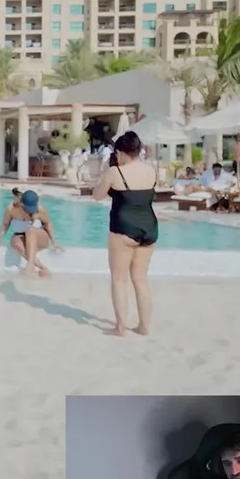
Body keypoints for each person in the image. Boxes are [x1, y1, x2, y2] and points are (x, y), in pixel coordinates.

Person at [92, 131, 158, 337]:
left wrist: (105, 171)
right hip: (149, 227)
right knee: (141, 279)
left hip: (123, 228)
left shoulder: (115, 172)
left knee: (119, 279)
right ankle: (144, 326)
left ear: (120, 152)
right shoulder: (151, 170)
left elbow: (97, 195)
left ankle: (120, 327)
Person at [0, 189, 62, 277]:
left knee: (30, 230)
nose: (30, 211)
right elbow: (5, 224)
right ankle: (43, 267)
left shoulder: (40, 209)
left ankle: (29, 266)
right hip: (22, 237)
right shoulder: (12, 209)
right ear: (21, 203)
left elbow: (48, 224)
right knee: (14, 242)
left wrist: (54, 242)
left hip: (40, 238)